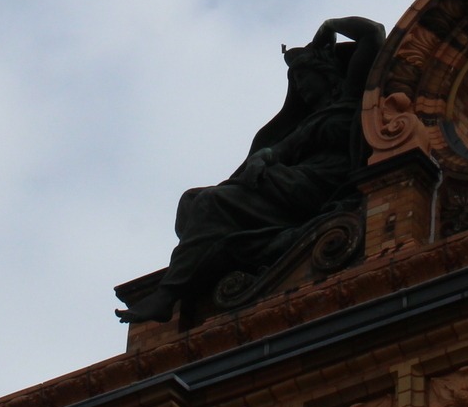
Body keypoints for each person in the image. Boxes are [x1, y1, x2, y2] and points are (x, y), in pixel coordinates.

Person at [115, 16, 384, 325]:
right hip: (296, 182)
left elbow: (372, 34)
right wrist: (263, 157)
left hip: (322, 184)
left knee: (211, 203)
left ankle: (167, 295)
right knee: (191, 201)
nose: (300, 88)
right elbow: (280, 149)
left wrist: (329, 26)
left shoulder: (351, 97)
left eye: (304, 79)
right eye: (295, 83)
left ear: (325, 75)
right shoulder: (308, 121)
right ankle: (198, 271)